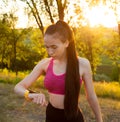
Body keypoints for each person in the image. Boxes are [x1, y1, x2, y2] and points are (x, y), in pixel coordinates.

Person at [14, 20, 103, 122]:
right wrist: (30, 94)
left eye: (54, 47)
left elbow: (91, 96)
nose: (50, 52)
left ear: (66, 43)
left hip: (73, 117)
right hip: (51, 116)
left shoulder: (82, 64)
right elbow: (18, 87)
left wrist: (99, 120)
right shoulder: (45, 64)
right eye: (47, 47)